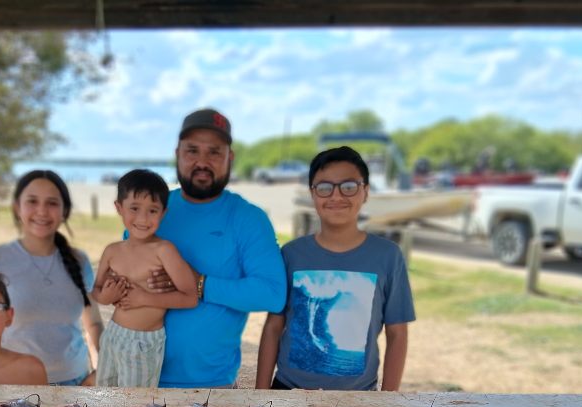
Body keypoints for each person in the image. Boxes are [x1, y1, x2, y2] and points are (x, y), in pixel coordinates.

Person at [123, 108, 286, 388]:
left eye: (214, 152)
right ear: (177, 154)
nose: (202, 162)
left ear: (230, 158)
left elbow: (272, 294)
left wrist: (199, 283)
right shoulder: (149, 212)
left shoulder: (248, 218)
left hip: (212, 386)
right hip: (138, 378)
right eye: (192, 151)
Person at [256, 146, 414, 391]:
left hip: (359, 396)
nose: (336, 196)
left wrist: (388, 400)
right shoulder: (291, 254)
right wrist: (260, 393)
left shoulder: (388, 256)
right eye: (324, 187)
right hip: (288, 389)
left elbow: (397, 334)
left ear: (366, 192)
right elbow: (273, 327)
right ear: (313, 194)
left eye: (349, 186)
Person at [0, 170, 102, 386]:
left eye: (52, 203)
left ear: (64, 211)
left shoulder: (79, 260)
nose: (42, 211)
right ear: (17, 207)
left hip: (76, 383)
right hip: (12, 385)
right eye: (32, 201)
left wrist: (100, 371)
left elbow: (94, 323)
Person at [91, 169, 198, 387]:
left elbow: (190, 297)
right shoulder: (112, 251)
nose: (143, 218)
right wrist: (106, 297)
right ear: (119, 208)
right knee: (105, 393)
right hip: (113, 334)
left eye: (152, 210)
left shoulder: (164, 251)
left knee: (134, 403)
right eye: (134, 208)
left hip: (143, 342)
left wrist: (145, 298)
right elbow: (96, 291)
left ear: (163, 213)